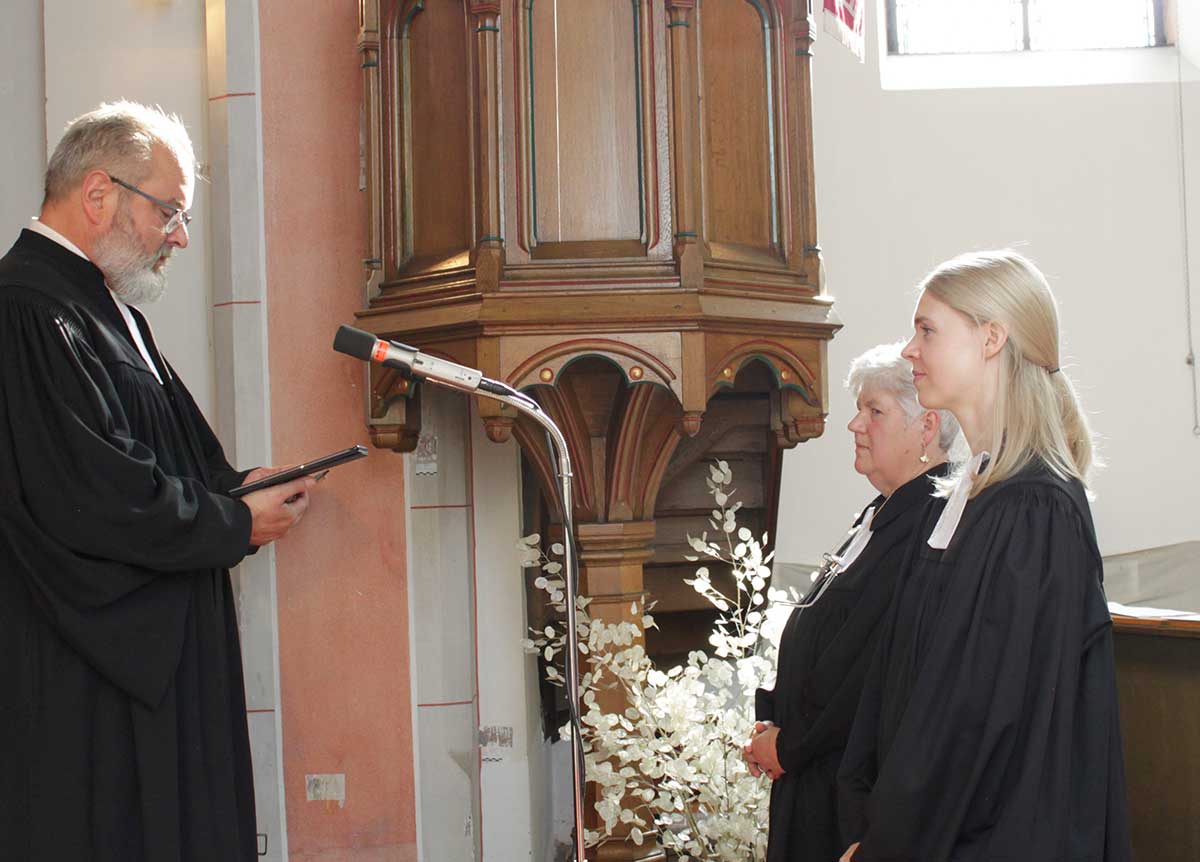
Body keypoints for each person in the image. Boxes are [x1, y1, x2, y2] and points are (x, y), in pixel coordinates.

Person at [0, 101, 315, 861]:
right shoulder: (28, 309)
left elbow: (162, 458)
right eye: (169, 211)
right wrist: (233, 524)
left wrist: (238, 486)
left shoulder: (107, 310)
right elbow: (88, 497)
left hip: (156, 660)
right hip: (89, 674)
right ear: (98, 192)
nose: (178, 235)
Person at [838, 250, 1131, 862]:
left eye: (927, 330)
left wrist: (891, 844)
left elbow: (981, 716)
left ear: (991, 338)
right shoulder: (965, 492)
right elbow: (913, 684)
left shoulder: (1034, 508)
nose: (909, 350)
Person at [744, 342, 960, 862]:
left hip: (846, 789)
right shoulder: (883, 512)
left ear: (926, 428)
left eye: (875, 411)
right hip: (813, 767)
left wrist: (789, 743)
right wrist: (773, 717)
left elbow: (869, 670)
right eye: (860, 409)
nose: (855, 425)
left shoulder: (924, 527)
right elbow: (826, 627)